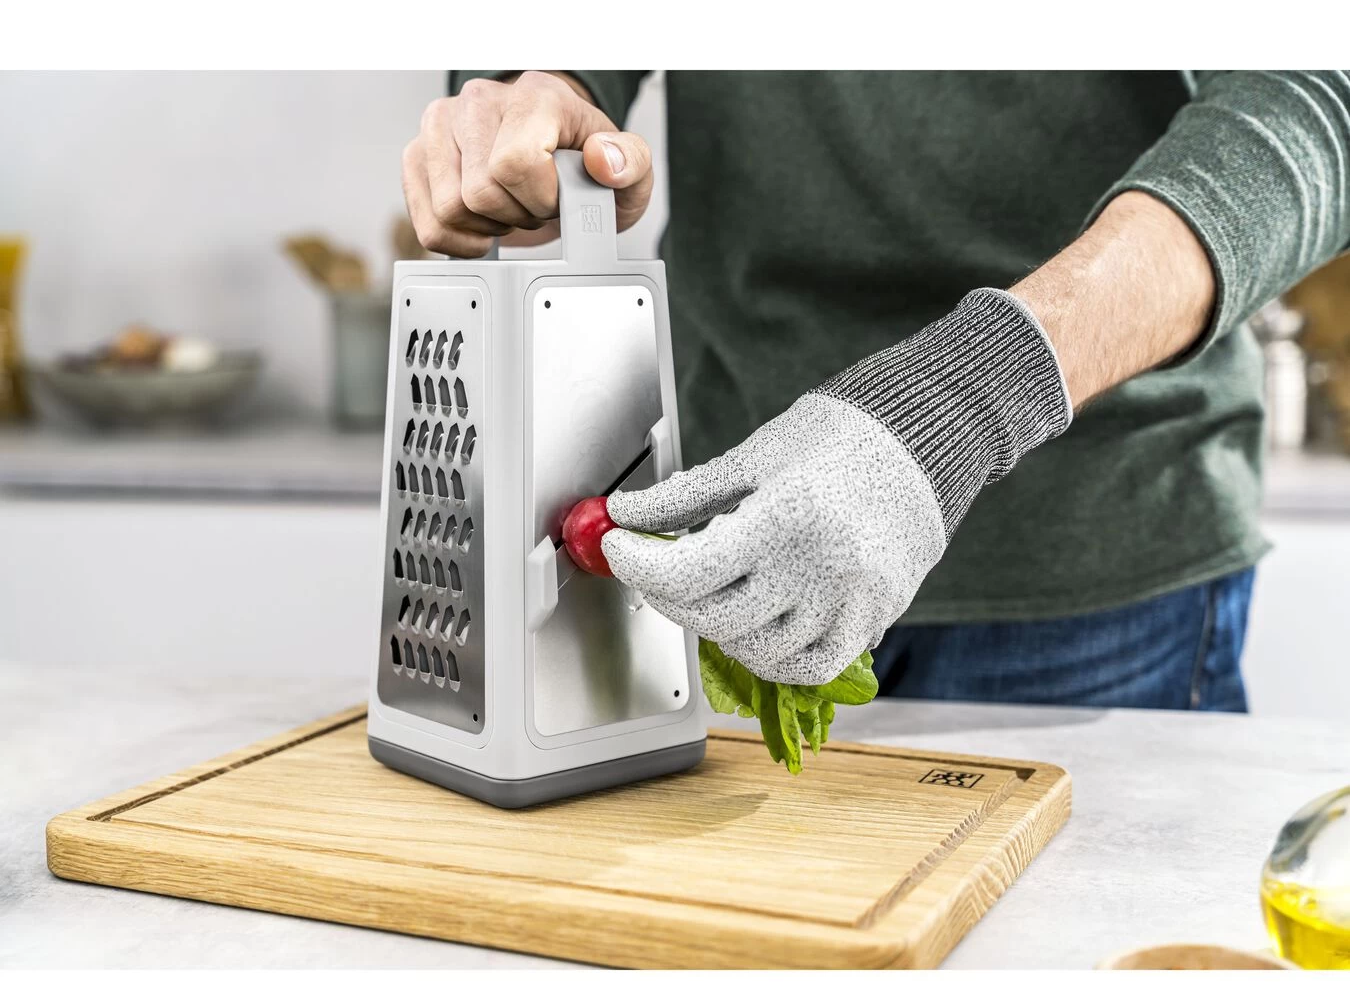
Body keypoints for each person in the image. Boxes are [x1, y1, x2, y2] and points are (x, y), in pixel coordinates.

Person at [402, 71, 1350, 711]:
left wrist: (969, 396)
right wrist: (533, 99)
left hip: (1095, 566)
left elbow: (1315, 99)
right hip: (736, 557)